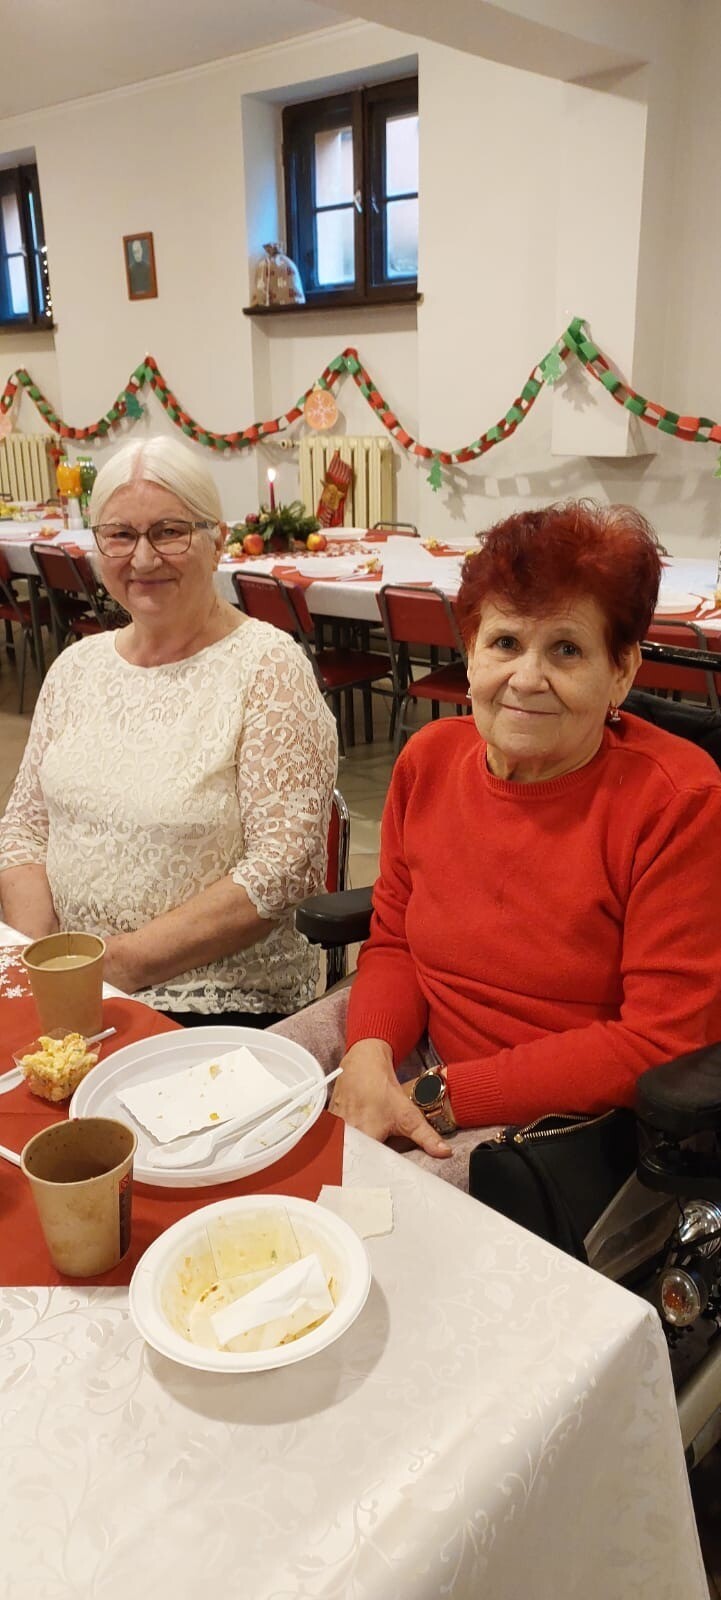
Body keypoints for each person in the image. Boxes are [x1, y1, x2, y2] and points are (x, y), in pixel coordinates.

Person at [272, 500, 721, 1177]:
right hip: (409, 1038)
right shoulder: (428, 760)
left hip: (554, 1107)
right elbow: (394, 942)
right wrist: (368, 1052)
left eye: (566, 650)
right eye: (505, 643)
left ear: (621, 672)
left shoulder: (677, 802)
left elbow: (660, 1041)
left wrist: (438, 1095)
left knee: (349, 1204)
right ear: (471, 654)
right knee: (231, 1109)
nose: (526, 679)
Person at [0, 436, 337, 1025]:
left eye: (169, 532)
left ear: (217, 541)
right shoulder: (76, 668)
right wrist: (46, 960)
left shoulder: (266, 667)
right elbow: (25, 832)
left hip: (214, 998)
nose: (144, 559)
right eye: (120, 535)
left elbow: (283, 870)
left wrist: (117, 967)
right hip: (70, 983)